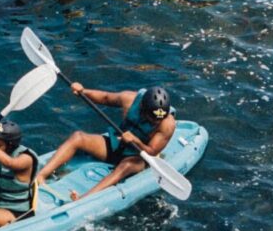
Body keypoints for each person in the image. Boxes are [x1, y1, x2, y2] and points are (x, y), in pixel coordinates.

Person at [36, 83, 178, 202]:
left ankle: (83, 199)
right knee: (78, 137)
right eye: (152, 118)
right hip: (118, 143)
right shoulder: (129, 99)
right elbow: (105, 98)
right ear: (142, 107)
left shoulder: (167, 125)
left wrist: (136, 141)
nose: (155, 121)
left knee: (126, 165)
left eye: (159, 118)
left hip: (140, 156)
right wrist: (82, 91)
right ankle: (41, 176)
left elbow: (152, 151)